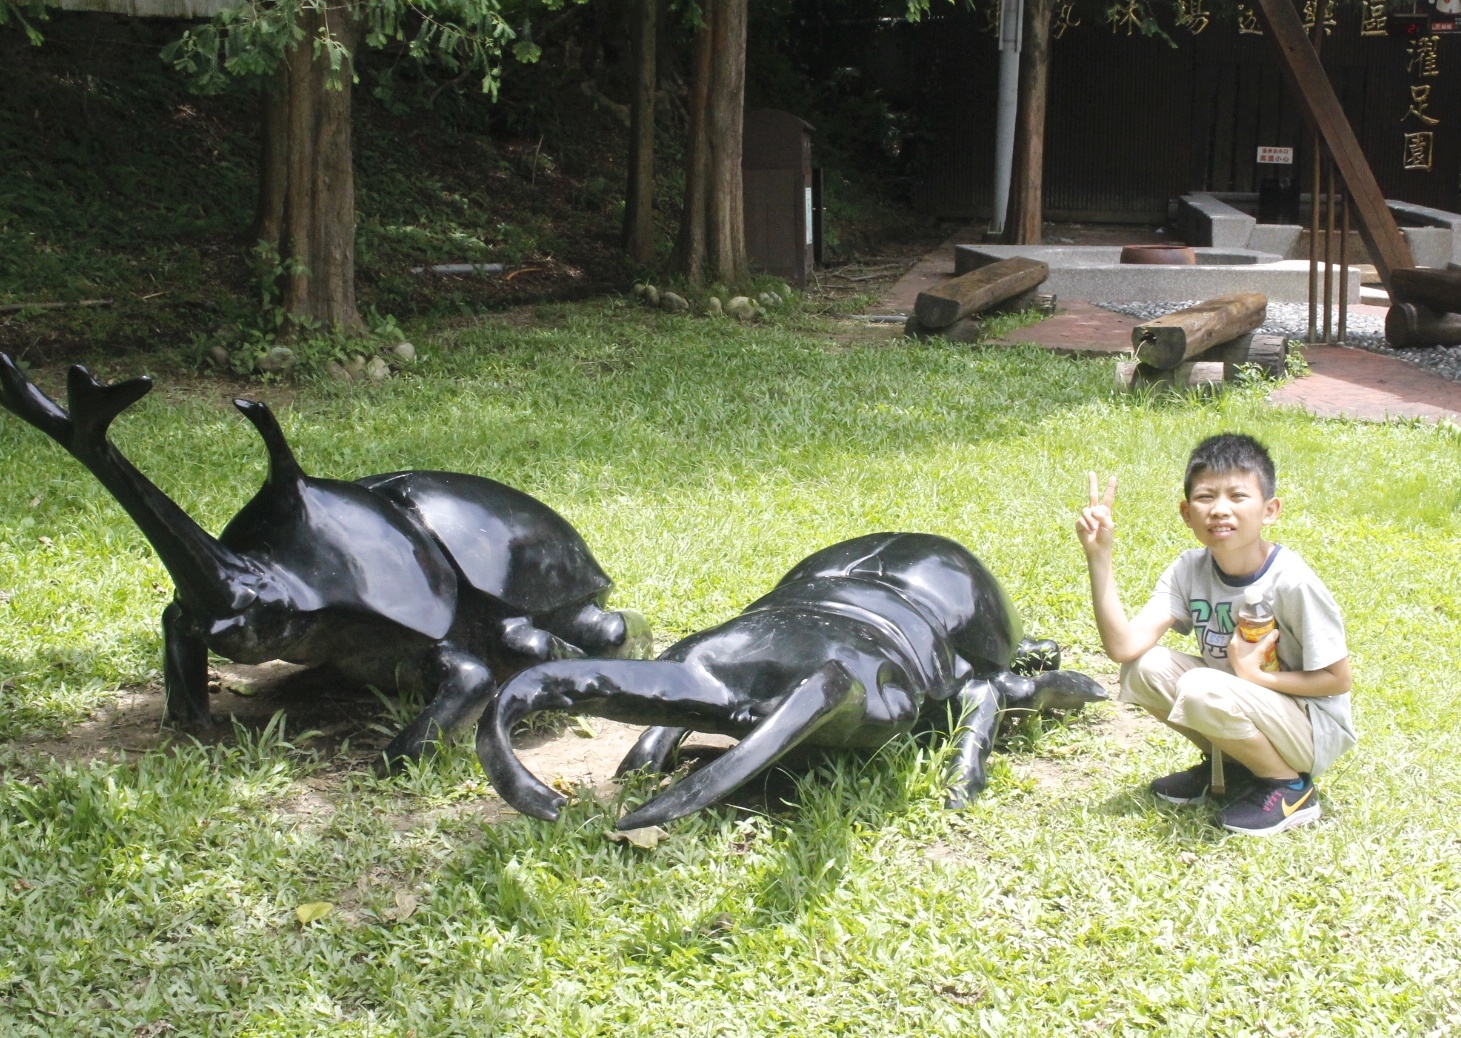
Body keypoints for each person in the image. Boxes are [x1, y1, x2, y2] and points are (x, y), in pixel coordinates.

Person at [1075, 433, 1353, 836]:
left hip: (1312, 726)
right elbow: (1124, 647)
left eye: (1238, 496)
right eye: (1206, 497)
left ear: (1270, 510)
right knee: (1144, 668)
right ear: (1187, 513)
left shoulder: (1292, 582)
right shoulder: (1189, 569)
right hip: (1251, 703)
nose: (1220, 510)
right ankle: (1235, 770)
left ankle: (1289, 788)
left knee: (1203, 686)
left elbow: (1337, 680)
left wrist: (1256, 676)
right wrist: (1099, 556)